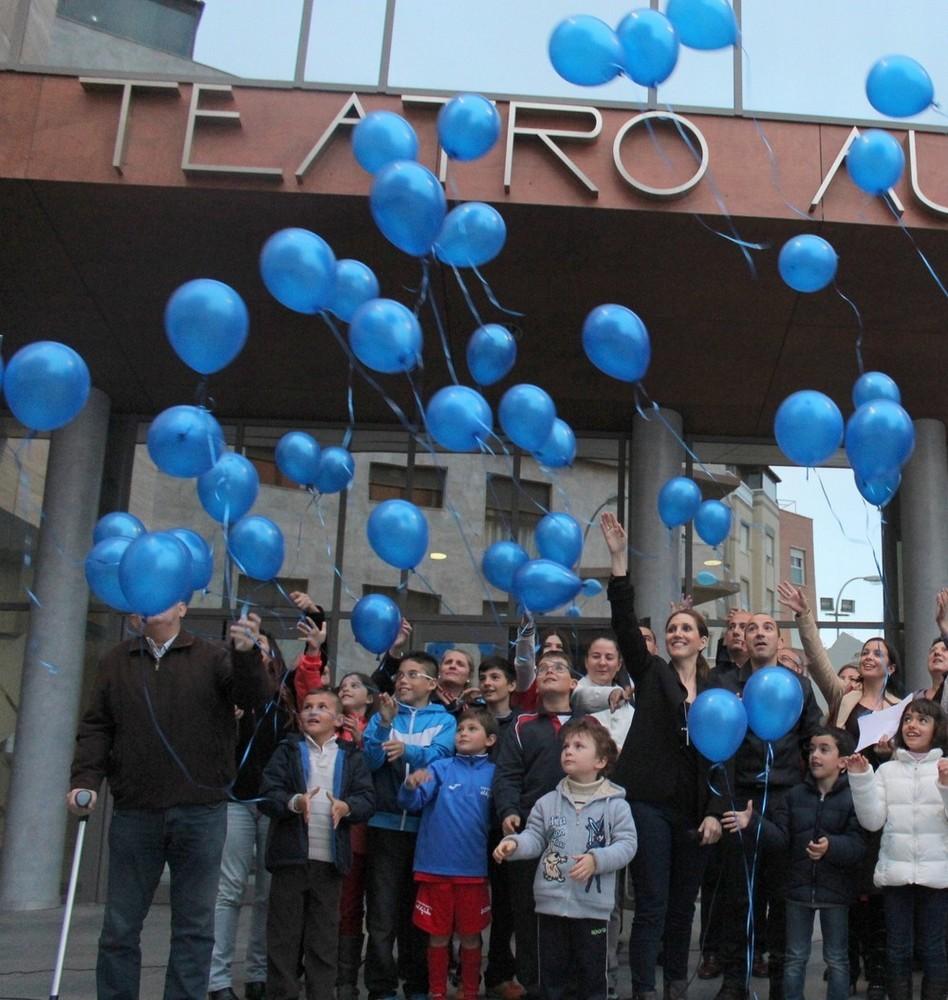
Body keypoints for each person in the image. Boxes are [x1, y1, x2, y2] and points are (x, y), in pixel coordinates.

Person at [67, 603, 269, 1000]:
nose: (149, 603)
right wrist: (84, 779)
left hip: (201, 811)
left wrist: (246, 655)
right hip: (136, 812)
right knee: (120, 926)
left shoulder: (213, 657)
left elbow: (254, 696)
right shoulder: (116, 660)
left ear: (182, 606)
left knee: (194, 927)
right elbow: (97, 726)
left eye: (161, 595)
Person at [592, 512, 723, 1000]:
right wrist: (619, 560)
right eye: (672, 628)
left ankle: (674, 987)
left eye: (687, 627)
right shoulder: (653, 676)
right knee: (651, 903)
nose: (677, 633)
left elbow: (720, 760)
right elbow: (625, 626)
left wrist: (714, 813)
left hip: (694, 812)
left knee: (681, 908)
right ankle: (643, 990)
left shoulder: (716, 691)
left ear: (703, 640)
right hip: (646, 805)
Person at [778, 581, 902, 998]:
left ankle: (877, 973)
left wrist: (890, 752)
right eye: (864, 652)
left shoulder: (902, 710)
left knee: (876, 895)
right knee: (844, 894)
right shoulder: (844, 698)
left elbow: (913, 758)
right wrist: (803, 616)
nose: (868, 657)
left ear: (891, 668)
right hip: (840, 807)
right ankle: (843, 973)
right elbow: (816, 662)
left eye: (877, 653)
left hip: (881, 811)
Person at [709, 607, 822, 1000]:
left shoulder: (799, 687)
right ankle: (733, 982)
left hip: (787, 800)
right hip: (740, 797)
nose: (759, 633)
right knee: (739, 896)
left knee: (780, 895)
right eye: (752, 628)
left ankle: (779, 983)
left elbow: (815, 740)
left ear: (779, 640)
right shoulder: (725, 682)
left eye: (768, 628)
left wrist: (809, 793)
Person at [493, 717, 638, 1000]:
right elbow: (534, 838)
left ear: (600, 761)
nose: (568, 751)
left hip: (593, 910)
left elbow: (628, 845)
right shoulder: (547, 802)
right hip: (550, 908)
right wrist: (513, 844)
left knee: (591, 979)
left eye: (579, 746)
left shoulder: (616, 806)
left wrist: (597, 860)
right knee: (552, 979)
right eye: (566, 746)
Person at [723, 727, 866, 1000]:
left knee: (837, 959)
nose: (815, 756)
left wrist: (832, 846)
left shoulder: (853, 798)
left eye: (824, 750)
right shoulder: (795, 795)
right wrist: (752, 822)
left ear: (843, 761)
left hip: (835, 892)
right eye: (811, 749)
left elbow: (858, 845)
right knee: (794, 958)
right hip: (798, 891)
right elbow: (780, 839)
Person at [209, 615, 306, 1000]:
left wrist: (315, 626)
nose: (257, 647)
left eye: (262, 641)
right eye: (249, 642)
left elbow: (313, 677)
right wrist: (224, 719)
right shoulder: (224, 688)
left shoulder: (287, 694)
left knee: (269, 894)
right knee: (229, 889)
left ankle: (258, 974)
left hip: (275, 803)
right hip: (234, 800)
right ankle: (216, 979)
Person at [258, 688, 375, 999]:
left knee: (323, 939)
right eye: (308, 706)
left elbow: (367, 799)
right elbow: (268, 794)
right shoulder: (287, 750)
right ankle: (281, 994)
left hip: (330, 862)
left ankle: (321, 993)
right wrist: (294, 802)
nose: (312, 711)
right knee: (283, 937)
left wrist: (347, 807)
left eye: (322, 707)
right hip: (290, 860)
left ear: (337, 719)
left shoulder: (352, 757)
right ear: (299, 718)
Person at [362, 651, 458, 1000]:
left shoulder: (445, 720)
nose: (402, 680)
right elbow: (371, 760)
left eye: (412, 674)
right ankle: (381, 987)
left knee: (419, 914)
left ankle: (417, 985)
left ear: (431, 684)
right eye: (400, 674)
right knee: (382, 915)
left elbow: (442, 758)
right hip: (384, 827)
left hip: (426, 829)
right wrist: (386, 725)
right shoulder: (383, 717)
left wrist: (405, 750)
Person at [492, 649, 585, 1000]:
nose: (548, 671)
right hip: (531, 833)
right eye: (543, 667)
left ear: (573, 683)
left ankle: (574, 987)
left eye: (558, 667)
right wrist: (508, 810)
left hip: (579, 838)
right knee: (528, 917)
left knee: (574, 915)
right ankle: (533, 986)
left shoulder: (589, 726)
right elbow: (507, 775)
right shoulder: (522, 724)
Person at [845, 699, 948, 1000]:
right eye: (908, 720)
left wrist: (944, 786)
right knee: (898, 949)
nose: (913, 726)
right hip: (895, 875)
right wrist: (862, 779)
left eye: (922, 720)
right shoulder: (888, 771)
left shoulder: (945, 768)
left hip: (938, 878)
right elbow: (872, 821)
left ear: (937, 729)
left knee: (933, 949)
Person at [396, 709, 498, 1000]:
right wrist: (409, 785)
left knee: (470, 936)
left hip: (473, 871)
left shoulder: (495, 774)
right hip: (433, 868)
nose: (463, 733)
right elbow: (413, 802)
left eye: (472, 729)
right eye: (460, 729)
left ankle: (469, 991)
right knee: (438, 935)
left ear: (490, 739)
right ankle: (437, 992)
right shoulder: (439, 768)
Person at [700, 607, 752, 981]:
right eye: (731, 626)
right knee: (714, 879)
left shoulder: (765, 677)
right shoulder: (711, 678)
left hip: (753, 786)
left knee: (749, 883)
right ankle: (711, 952)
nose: (737, 632)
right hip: (715, 787)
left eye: (744, 627)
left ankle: (755, 948)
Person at [476, 654, 526, 1000]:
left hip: (505, 826)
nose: (488, 683)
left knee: (506, 905)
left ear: (511, 685)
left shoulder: (523, 724)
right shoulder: (468, 721)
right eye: (483, 677)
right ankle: (458, 971)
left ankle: (499, 972)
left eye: (495, 677)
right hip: (469, 825)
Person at [335, 671, 381, 1000]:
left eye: (354, 685)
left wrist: (363, 739)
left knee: (378, 908)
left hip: (377, 831)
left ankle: (376, 976)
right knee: (346, 905)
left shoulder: (378, 727)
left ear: (370, 697)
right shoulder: (333, 729)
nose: (345, 689)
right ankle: (344, 980)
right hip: (342, 832)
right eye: (343, 685)